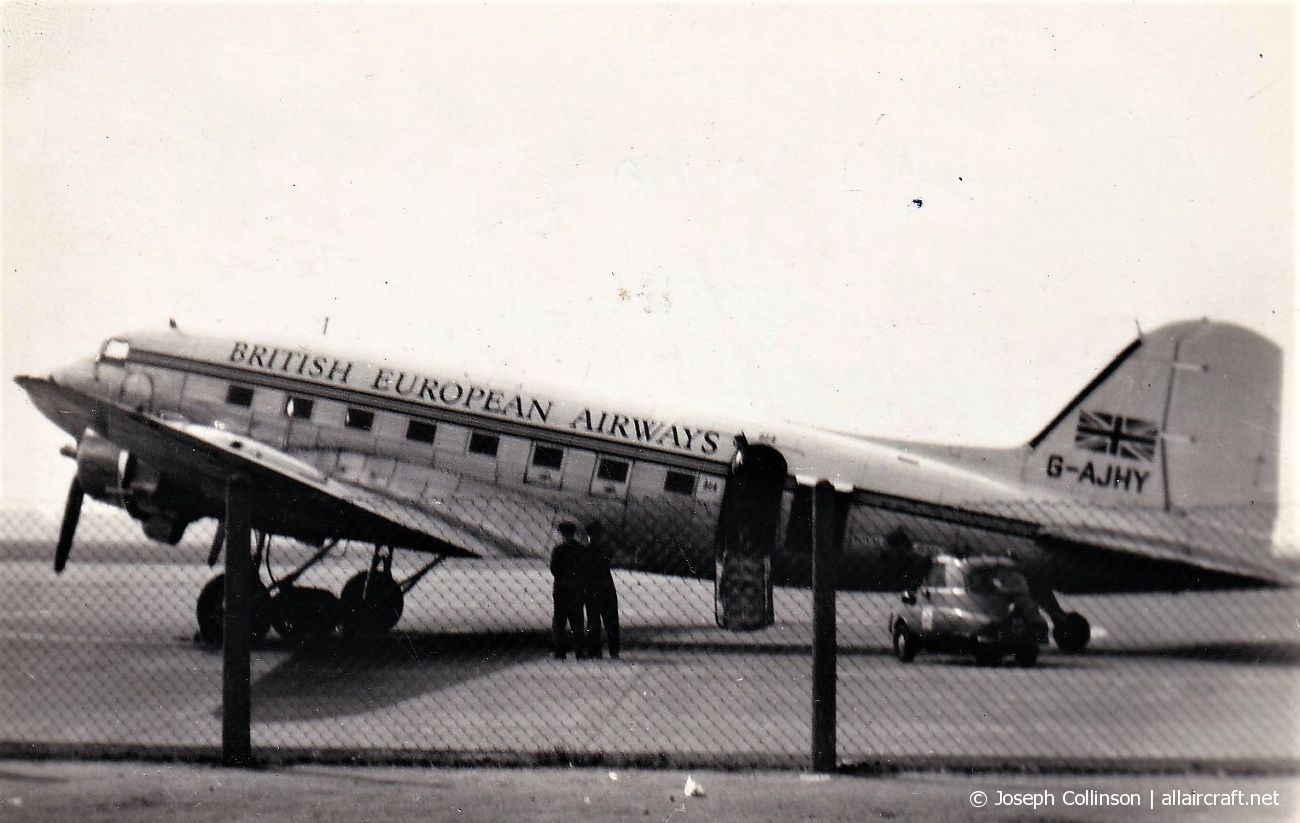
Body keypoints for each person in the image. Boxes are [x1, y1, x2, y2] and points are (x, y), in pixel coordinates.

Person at [581, 521, 620, 659]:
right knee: (611, 621)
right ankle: (614, 650)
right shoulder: (606, 549)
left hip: (591, 588)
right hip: (606, 586)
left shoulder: (584, 550)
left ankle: (594, 650)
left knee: (593, 621)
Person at [549, 521, 585, 659]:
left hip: (561, 587)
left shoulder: (558, 550)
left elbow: (554, 568)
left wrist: (562, 577)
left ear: (562, 534)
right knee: (577, 620)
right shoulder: (581, 549)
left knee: (560, 620)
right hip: (577, 587)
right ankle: (579, 650)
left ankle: (560, 651)